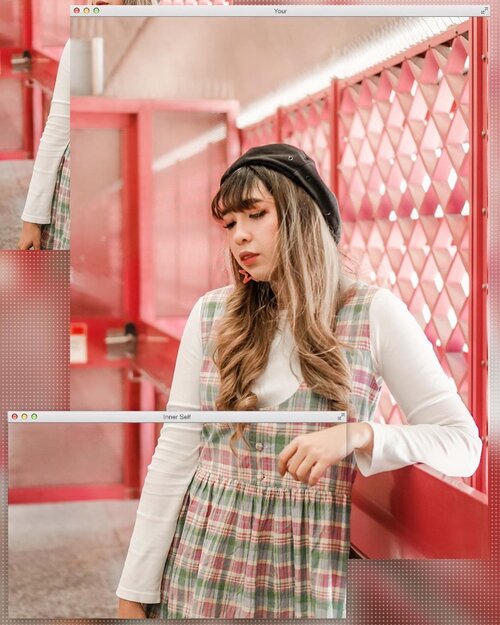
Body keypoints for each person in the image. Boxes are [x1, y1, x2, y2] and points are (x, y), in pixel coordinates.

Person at [116, 144, 482, 619]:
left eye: (255, 214)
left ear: (301, 214)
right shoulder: (211, 315)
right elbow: (175, 452)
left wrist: (360, 435)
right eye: (229, 224)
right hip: (202, 561)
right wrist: (134, 589)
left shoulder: (372, 314)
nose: (239, 237)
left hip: (305, 573)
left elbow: (462, 443)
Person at [17, 0, 158, 250]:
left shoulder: (163, 34)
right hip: (79, 185)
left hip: (142, 179)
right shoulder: (83, 40)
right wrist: (31, 219)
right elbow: (57, 129)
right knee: (67, 282)